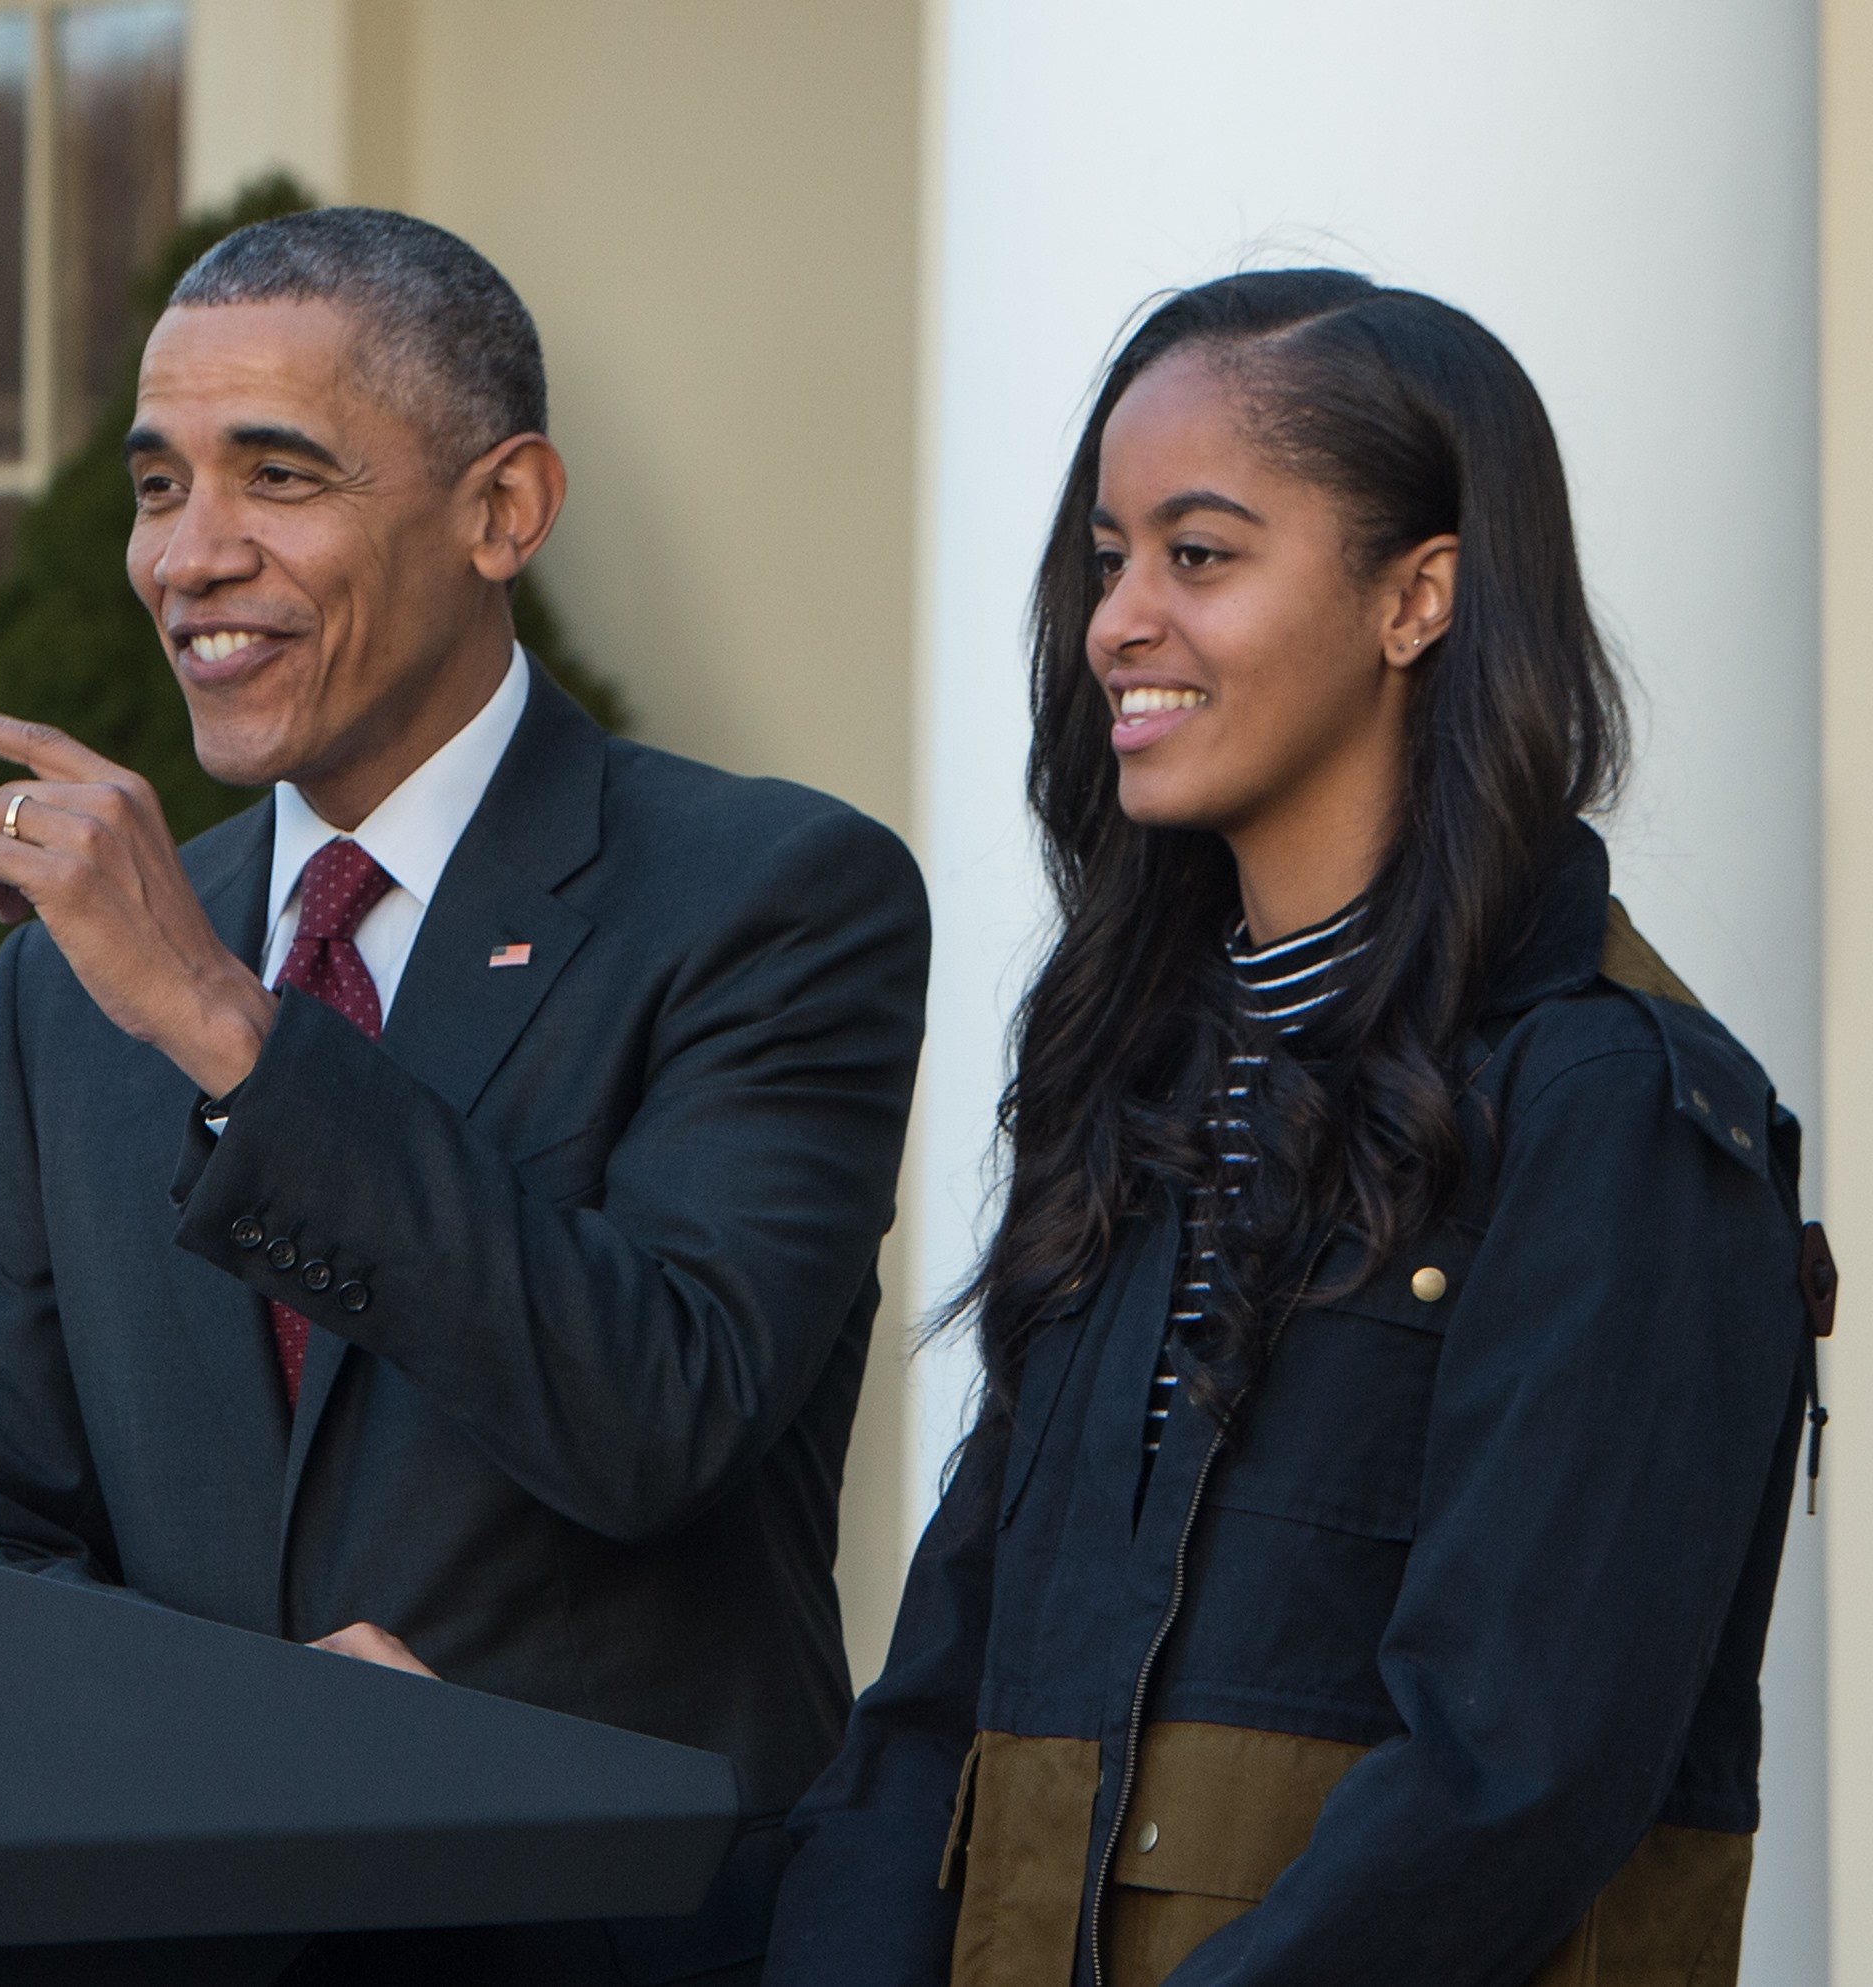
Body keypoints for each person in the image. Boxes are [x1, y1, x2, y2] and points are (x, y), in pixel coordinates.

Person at [0, 206, 929, 1983]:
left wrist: (231, 1028)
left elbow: (661, 1411)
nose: (187, 557)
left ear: (503, 510)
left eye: (275, 476)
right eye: (157, 485)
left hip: (615, 1943)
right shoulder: (74, 983)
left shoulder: (772, 895)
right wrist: (245, 1740)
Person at [768, 270, 1822, 1987]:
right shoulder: (1131, 1071)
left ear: (1419, 596)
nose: (1117, 619)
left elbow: (1517, 1771)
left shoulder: (1614, 1104)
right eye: (1109, 558)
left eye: (1199, 554)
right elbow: (946, 1691)